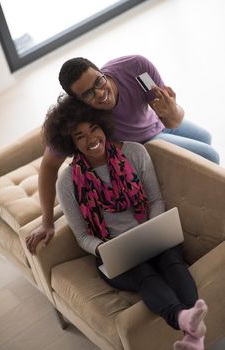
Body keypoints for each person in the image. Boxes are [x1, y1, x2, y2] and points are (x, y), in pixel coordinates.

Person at [27, 94, 208, 350]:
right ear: (70, 143)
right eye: (80, 136)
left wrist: (152, 230)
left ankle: (191, 332)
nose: (91, 139)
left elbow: (155, 200)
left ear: (103, 125)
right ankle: (185, 321)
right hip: (113, 251)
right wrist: (104, 249)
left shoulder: (135, 152)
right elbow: (82, 236)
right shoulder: (67, 182)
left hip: (152, 235)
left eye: (94, 128)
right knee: (144, 274)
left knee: (171, 260)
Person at [27, 54, 220, 256]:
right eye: (89, 94)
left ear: (101, 72)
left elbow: (173, 121)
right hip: (146, 143)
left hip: (158, 121)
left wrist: (171, 109)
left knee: (205, 136)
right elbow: (48, 166)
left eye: (99, 81)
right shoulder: (81, 114)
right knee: (210, 156)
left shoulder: (137, 68)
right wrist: (47, 222)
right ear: (78, 101)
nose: (100, 93)